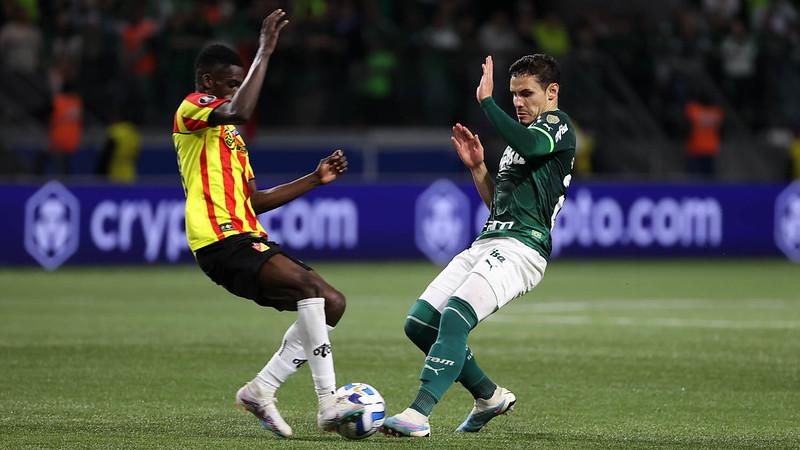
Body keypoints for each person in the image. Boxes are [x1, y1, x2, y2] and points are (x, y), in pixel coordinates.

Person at [172, 9, 362, 438]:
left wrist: (315, 179)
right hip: (218, 240)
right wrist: (264, 51)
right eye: (230, 83)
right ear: (208, 83)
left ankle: (261, 390)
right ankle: (328, 401)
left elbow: (253, 201)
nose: (236, 91)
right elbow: (239, 111)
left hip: (245, 235)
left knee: (331, 303)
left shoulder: (233, 139)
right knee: (313, 291)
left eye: (239, 83)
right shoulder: (192, 110)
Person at [382, 54, 576, 437]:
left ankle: (419, 413)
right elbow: (497, 203)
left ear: (552, 92)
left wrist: (487, 102)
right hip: (487, 241)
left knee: (455, 316)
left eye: (526, 93)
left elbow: (532, 146)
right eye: (512, 95)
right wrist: (478, 168)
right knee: (420, 323)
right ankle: (489, 396)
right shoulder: (518, 143)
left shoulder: (557, 125)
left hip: (522, 249)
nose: (518, 102)